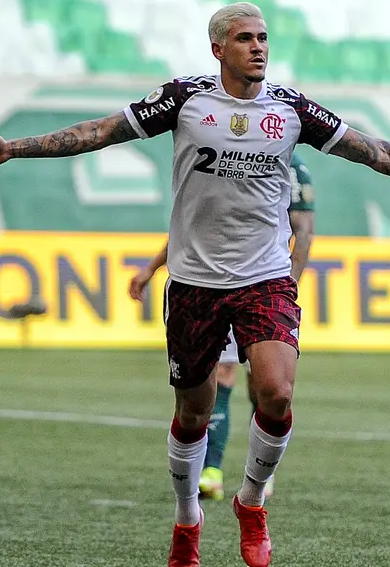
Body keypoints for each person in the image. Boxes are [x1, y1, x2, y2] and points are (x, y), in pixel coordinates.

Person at [0, 2, 390, 567]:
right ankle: (186, 520)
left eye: (264, 38)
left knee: (276, 393)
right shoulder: (184, 99)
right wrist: (13, 149)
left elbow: (373, 152)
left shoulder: (290, 109)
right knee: (194, 413)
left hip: (265, 278)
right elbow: (101, 131)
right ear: (218, 47)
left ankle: (251, 503)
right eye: (246, 39)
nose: (259, 48)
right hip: (195, 283)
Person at [128, 151, 315, 503]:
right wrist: (151, 268)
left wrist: (286, 286)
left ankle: (259, 475)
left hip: (264, 286)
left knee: (266, 386)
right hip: (214, 286)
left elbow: (303, 231)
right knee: (221, 373)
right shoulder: (221, 155)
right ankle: (211, 470)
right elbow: (194, 231)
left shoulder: (290, 164)